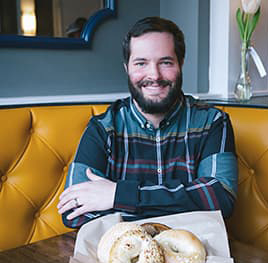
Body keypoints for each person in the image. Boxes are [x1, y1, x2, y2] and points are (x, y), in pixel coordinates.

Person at [57, 16, 238, 228]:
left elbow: (221, 198)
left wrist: (118, 195)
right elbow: (73, 212)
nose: (154, 74)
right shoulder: (103, 128)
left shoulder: (212, 122)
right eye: (141, 63)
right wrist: (183, 203)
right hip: (123, 256)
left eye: (166, 62)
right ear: (127, 68)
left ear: (181, 64)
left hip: (198, 255)